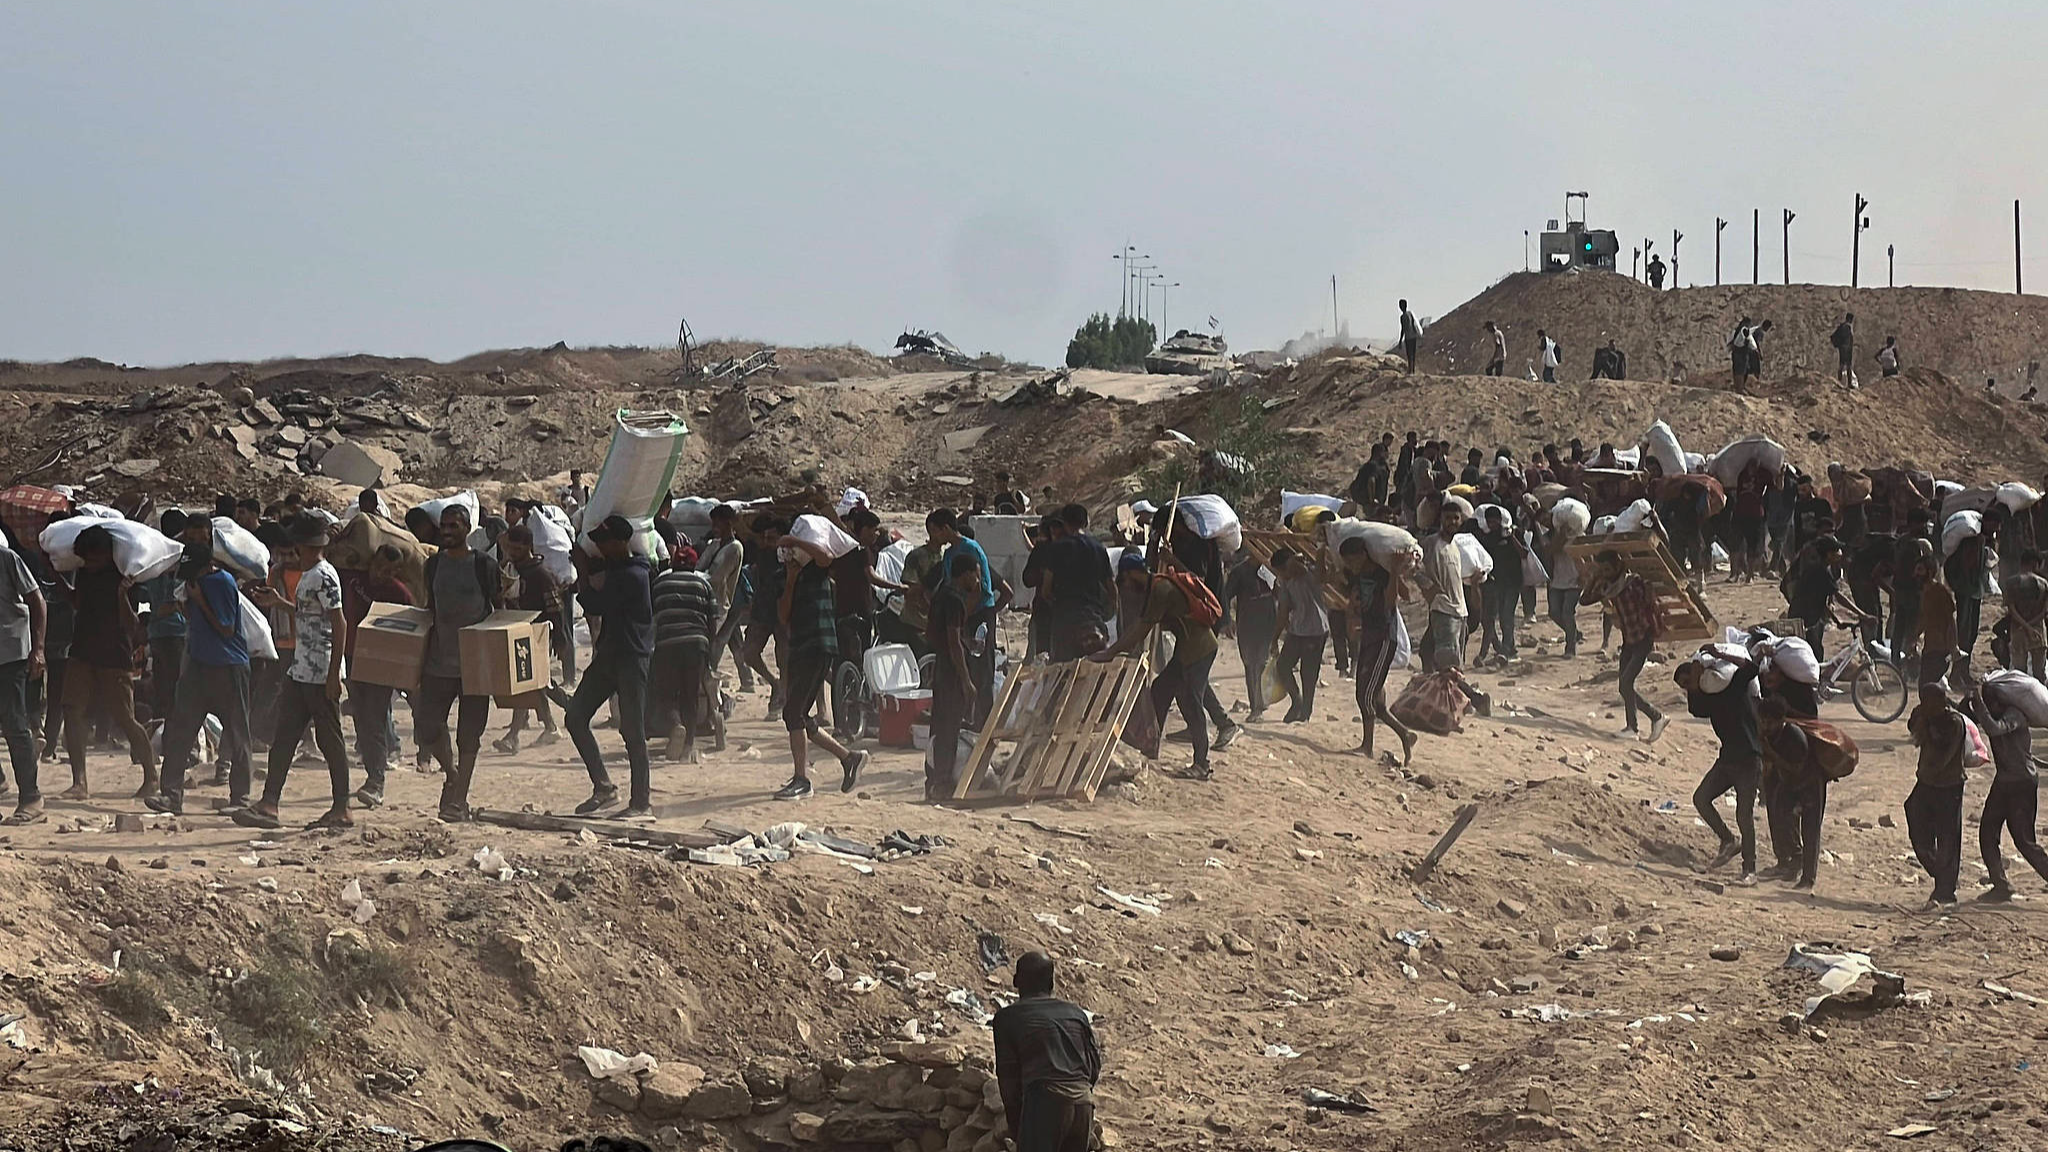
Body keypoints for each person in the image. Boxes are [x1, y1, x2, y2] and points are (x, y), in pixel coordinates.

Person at [237, 515, 351, 829]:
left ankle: (342, 807)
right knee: (285, 736)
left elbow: (339, 624)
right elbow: (309, 614)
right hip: (302, 668)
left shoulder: (323, 575)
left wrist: (332, 676)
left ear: (303, 545)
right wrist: (280, 602)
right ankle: (269, 803)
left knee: (330, 741)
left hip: (319, 671)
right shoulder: (310, 575)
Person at [1093, 553, 1221, 780]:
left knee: (1191, 702)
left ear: (1132, 573)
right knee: (1161, 690)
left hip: (1199, 649)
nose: (1127, 587)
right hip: (1187, 649)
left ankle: (1202, 764)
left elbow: (1142, 628)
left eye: (1125, 580)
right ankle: (1149, 748)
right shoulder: (1156, 587)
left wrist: (1111, 652)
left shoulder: (1161, 590)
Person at [148, 544, 249, 817]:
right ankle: (170, 795)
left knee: (237, 732)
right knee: (180, 731)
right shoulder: (195, 583)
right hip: (198, 665)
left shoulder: (222, 583)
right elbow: (196, 622)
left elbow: (226, 629)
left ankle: (241, 796)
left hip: (227, 666)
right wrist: (187, 606)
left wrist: (200, 600)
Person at [771, 528, 871, 801]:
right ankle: (849, 758)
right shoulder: (785, 578)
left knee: (793, 713)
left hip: (819, 644)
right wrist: (791, 580)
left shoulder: (818, 570)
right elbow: (783, 615)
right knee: (798, 715)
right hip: (801, 647)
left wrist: (794, 540)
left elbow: (826, 556)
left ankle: (802, 779)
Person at [60, 526, 157, 799]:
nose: (89, 565)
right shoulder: (85, 575)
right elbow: (78, 602)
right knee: (71, 711)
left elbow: (137, 628)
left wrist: (122, 595)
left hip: (115, 656)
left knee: (125, 718)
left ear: (106, 554)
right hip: (82, 651)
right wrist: (54, 575)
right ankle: (80, 782)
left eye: (94, 559)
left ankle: (151, 776)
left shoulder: (133, 580)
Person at [567, 516, 655, 816]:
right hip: (611, 656)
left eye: (604, 542)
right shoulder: (625, 568)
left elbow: (594, 604)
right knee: (575, 716)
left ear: (620, 543)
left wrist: (580, 568)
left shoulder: (631, 575)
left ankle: (641, 803)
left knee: (633, 730)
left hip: (630, 658)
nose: (600, 548)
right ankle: (604, 787)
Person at [418, 503, 499, 821]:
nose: (447, 532)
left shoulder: (483, 565)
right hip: (438, 662)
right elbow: (430, 607)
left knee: (469, 735)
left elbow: (498, 608)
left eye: (454, 526)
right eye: (444, 526)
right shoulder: (433, 565)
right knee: (426, 727)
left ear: (467, 529)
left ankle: (459, 799)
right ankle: (451, 774)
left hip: (475, 665)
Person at [993, 951, 1101, 1152]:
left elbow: (1008, 1081)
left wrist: (1018, 1129)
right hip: (1083, 1101)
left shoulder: (1007, 1018)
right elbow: (1093, 1067)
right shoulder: (1076, 1014)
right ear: (1052, 983)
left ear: (1017, 982)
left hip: (1046, 1102)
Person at [1677, 648, 1762, 883]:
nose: (1687, 688)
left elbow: (1751, 668)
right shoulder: (1706, 698)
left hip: (1749, 758)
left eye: (1686, 682)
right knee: (1701, 798)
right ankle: (1728, 840)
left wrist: (1721, 655)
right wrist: (1694, 681)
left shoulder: (1733, 684)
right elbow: (1695, 709)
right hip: (1727, 760)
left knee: (1743, 814)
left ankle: (1750, 870)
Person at [342, 544, 413, 809]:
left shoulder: (398, 593)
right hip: (352, 657)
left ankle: (376, 783)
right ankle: (373, 775)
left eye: (388, 570)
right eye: (379, 566)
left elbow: (411, 628)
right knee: (362, 718)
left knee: (374, 719)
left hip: (381, 663)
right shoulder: (354, 581)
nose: (381, 574)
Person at [926, 509, 1011, 725]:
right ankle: (965, 718)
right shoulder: (949, 555)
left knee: (982, 670)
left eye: (935, 532)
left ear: (945, 528)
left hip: (977, 613)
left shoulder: (970, 549)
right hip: (959, 613)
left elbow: (978, 590)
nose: (933, 537)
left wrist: (962, 619)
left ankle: (985, 723)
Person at [1339, 536, 1415, 764]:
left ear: (1364, 555)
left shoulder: (1382, 574)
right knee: (1376, 702)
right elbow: (1350, 596)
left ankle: (1367, 746)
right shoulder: (1357, 575)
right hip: (1368, 636)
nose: (1351, 566)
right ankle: (1405, 734)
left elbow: (1394, 601)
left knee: (1365, 695)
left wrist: (1394, 572)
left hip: (1384, 638)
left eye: (1353, 561)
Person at [1967, 685, 2048, 901]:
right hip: (2005, 781)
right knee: (1987, 832)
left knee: (2024, 840)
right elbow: (1968, 717)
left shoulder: (2014, 715)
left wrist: (1980, 704)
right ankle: (2000, 885)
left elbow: (1994, 729)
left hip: (2019, 782)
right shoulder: (1997, 712)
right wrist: (1970, 701)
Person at [492, 527, 562, 754]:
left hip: (536, 635)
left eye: (516, 547)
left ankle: (513, 736)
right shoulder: (512, 570)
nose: (512, 551)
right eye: (510, 547)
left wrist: (558, 640)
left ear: (527, 546)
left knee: (524, 683)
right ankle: (551, 726)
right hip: (517, 632)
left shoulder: (541, 575)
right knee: (534, 684)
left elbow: (555, 609)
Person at [1588, 551, 1667, 742]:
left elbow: (1650, 603)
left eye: (1607, 569)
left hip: (1643, 639)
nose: (1605, 573)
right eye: (1603, 570)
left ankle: (1652, 718)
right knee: (1624, 687)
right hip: (1629, 641)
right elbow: (1585, 599)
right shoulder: (1608, 586)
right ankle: (1635, 726)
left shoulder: (1634, 583)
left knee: (1626, 683)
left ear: (1617, 566)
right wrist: (1593, 579)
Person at [649, 561, 719, 763]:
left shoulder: (659, 584)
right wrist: (709, 652)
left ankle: (675, 724)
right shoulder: (703, 585)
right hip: (696, 644)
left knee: (666, 694)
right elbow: (712, 620)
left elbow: (652, 618)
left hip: (667, 644)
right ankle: (688, 745)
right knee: (691, 696)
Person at [1756, 697, 1829, 890]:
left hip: (1810, 784)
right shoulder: (1767, 735)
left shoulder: (1795, 736)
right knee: (1781, 817)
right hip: (1788, 783)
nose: (1765, 725)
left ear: (1781, 720)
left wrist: (1770, 753)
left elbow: (1796, 768)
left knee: (1810, 830)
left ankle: (1808, 878)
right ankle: (1793, 860)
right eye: (1763, 720)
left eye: (1769, 721)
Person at [924, 555, 980, 800]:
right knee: (950, 729)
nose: (977, 580)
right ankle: (944, 783)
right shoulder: (955, 600)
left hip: (941, 667)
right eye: (976, 574)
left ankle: (933, 779)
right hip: (952, 671)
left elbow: (934, 633)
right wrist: (966, 680)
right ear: (965, 574)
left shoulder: (940, 595)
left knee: (938, 727)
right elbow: (953, 641)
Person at [1905, 683, 1966, 907]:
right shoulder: (1926, 717)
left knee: (1948, 837)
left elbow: (1944, 753)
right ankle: (1941, 875)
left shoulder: (1953, 722)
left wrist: (1928, 722)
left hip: (1948, 785)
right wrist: (1919, 719)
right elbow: (1913, 734)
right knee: (1914, 818)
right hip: (1927, 783)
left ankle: (1945, 891)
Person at [0, 527, 46, 822]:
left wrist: (38, 648)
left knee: (15, 724)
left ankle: (31, 797)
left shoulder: (7, 559)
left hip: (10, 652)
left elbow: (37, 601)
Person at [1034, 504, 1114, 662]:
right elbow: (1112, 589)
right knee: (1096, 670)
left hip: (1065, 621)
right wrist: (1109, 611)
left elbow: (1046, 590)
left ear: (1064, 523)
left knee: (1062, 673)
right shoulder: (1099, 549)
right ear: (1086, 522)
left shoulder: (1056, 549)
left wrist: (1057, 605)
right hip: (1093, 618)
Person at [138, 509, 190, 729]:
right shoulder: (175, 561)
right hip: (174, 633)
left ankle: (163, 727)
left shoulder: (157, 557)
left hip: (158, 633)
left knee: (164, 685)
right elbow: (168, 604)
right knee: (176, 686)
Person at [1270, 548, 1328, 723]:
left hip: (1316, 629)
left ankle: (1306, 711)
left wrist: (1294, 561)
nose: (1280, 575)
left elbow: (1316, 573)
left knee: (1308, 673)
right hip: (1297, 630)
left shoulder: (1309, 573)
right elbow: (1283, 612)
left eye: (1281, 570)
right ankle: (1297, 700)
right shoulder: (1286, 583)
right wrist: (1275, 639)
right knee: (1283, 666)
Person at [1220, 548, 1278, 722]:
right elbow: (1226, 596)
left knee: (1263, 663)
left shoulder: (1269, 569)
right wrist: (1228, 620)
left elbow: (1279, 593)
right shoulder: (1239, 571)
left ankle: (1261, 702)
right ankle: (1255, 706)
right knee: (1251, 664)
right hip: (1248, 621)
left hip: (1268, 620)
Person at [1477, 506, 1525, 663]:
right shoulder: (1488, 538)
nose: (1492, 524)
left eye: (1495, 521)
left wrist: (1511, 537)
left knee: (1506, 615)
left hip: (1513, 581)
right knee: (1495, 617)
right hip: (1497, 582)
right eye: (1489, 521)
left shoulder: (1514, 533)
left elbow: (1524, 553)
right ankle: (1509, 648)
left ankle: (1505, 649)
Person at [2002, 550, 2048, 679]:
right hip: (2038, 631)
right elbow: (2044, 611)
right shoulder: (2044, 583)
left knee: (2019, 674)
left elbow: (2011, 609)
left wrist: (2025, 626)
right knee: (2040, 674)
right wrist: (2032, 626)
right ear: (2034, 564)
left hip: (2018, 630)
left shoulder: (2011, 582)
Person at [1830, 312, 1856, 387]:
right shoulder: (1848, 327)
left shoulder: (1841, 326)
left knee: (1841, 365)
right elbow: (1848, 340)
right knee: (1848, 366)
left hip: (1842, 348)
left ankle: (1839, 381)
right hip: (1847, 349)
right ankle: (1849, 383)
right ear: (1850, 319)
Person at [1398, 299, 1421, 373]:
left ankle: (1410, 370)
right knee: (1413, 354)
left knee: (1409, 354)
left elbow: (1403, 329)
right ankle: (1413, 369)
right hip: (1413, 336)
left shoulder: (1402, 317)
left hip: (1408, 337)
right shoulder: (1410, 313)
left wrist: (1400, 340)